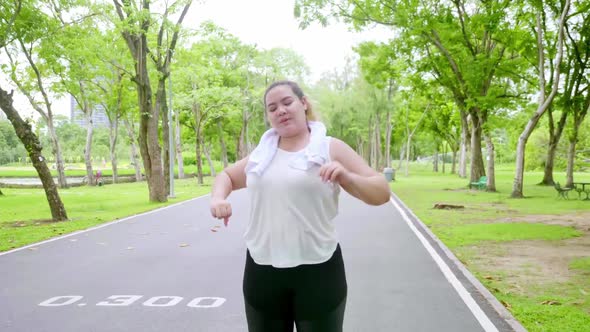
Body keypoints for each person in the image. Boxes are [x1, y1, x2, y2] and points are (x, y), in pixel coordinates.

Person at [209, 80, 391, 332]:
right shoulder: (262, 154)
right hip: (263, 270)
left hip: (318, 271)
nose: (280, 111)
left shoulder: (330, 147)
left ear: (303, 103)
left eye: (287, 102)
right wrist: (218, 198)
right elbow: (227, 176)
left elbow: (381, 192)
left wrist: (346, 177)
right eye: (272, 108)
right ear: (268, 116)